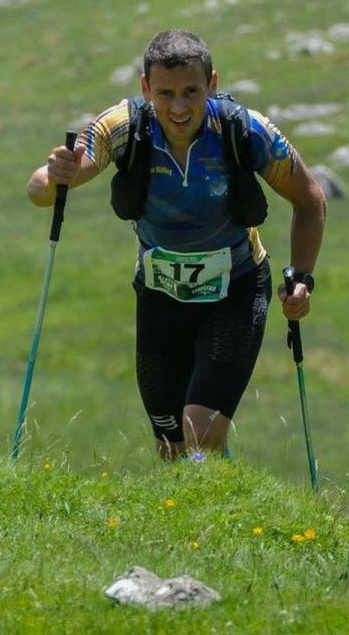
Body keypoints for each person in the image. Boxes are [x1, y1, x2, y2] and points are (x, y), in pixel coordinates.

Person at [26, 29, 326, 461]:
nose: (179, 106)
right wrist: (54, 175)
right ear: (146, 88)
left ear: (213, 84)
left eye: (192, 91)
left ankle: (221, 507)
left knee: (200, 430)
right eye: (165, 93)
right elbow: (42, 189)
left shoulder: (244, 130)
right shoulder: (123, 127)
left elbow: (310, 200)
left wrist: (302, 278)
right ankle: (204, 521)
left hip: (236, 291)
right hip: (160, 295)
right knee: (172, 446)